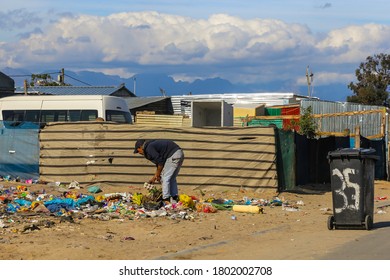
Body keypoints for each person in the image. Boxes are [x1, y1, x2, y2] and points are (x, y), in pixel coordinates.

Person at [134, 139, 184, 204]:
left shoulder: (149, 148)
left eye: (138, 151)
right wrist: (155, 177)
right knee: (171, 178)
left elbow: (160, 162)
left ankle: (166, 199)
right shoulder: (151, 145)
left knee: (165, 177)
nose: (140, 153)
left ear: (140, 147)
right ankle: (174, 197)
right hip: (179, 153)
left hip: (173, 155)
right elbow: (159, 163)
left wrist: (158, 174)